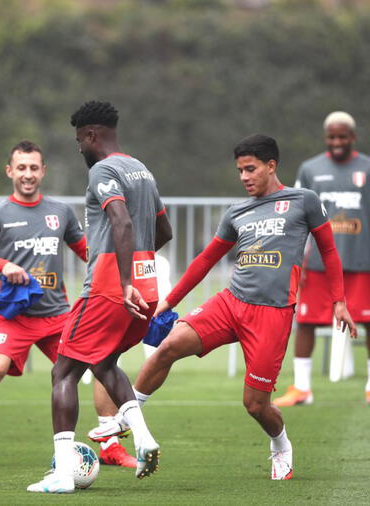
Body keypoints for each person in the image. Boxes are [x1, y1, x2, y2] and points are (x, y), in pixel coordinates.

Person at [90, 134, 357, 481]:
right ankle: (130, 414)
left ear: (271, 166)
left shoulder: (303, 201)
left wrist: (339, 301)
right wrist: (169, 303)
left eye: (251, 169)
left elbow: (330, 251)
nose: (244, 177)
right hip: (230, 303)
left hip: (272, 314)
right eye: (240, 171)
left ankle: (281, 444)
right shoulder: (237, 211)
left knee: (255, 405)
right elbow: (205, 260)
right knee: (168, 346)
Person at [0, 140, 136, 469]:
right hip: (15, 319)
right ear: (10, 171)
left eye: (34, 168)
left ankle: (110, 444)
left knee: (102, 365)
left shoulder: (60, 213)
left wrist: (120, 271)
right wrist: (3, 265)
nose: (28, 174)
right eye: (22, 168)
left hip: (58, 318)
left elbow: (89, 253)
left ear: (43, 171)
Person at [28, 101, 173, 494]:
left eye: (79, 140)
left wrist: (122, 279)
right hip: (145, 284)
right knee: (104, 362)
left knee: (64, 371)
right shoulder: (141, 169)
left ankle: (62, 474)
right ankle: (143, 439)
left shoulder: (103, 171)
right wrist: (137, 271)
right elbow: (164, 231)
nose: (79, 149)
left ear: (91, 135)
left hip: (112, 287)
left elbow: (121, 220)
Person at [274, 111, 370, 406]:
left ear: (352, 137)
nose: (337, 141)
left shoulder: (367, 167)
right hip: (318, 264)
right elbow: (298, 216)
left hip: (361, 261)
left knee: (368, 322)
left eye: (342, 136)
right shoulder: (311, 169)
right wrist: (297, 257)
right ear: (325, 138)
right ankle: (302, 388)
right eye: (332, 136)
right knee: (306, 322)